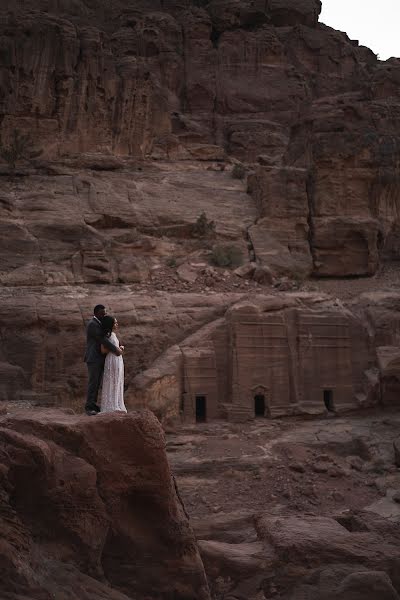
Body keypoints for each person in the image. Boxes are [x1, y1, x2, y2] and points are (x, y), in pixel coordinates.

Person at [84, 305, 122, 416]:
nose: (104, 315)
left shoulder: (98, 324)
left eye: (105, 313)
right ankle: (89, 407)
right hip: (93, 358)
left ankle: (94, 406)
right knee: (93, 383)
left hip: (99, 358)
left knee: (97, 383)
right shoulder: (93, 324)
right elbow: (101, 339)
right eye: (102, 313)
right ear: (96, 313)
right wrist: (116, 349)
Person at [99, 315, 127, 413]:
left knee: (117, 380)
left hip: (117, 360)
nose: (117, 324)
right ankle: (111, 405)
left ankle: (116, 403)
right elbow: (103, 350)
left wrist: (119, 349)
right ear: (110, 324)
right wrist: (118, 349)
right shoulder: (107, 335)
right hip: (112, 360)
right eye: (115, 322)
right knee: (112, 380)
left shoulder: (113, 334)